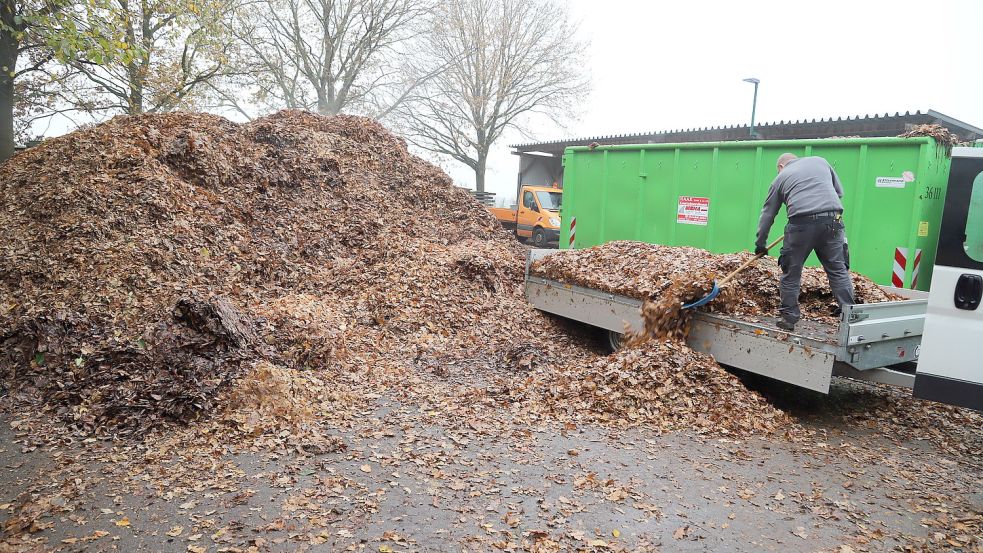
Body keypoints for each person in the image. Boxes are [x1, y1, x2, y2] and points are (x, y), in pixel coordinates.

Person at [755, 153, 854, 331]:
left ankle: (789, 319)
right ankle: (850, 318)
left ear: (780, 167)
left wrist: (760, 244)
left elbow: (768, 214)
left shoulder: (780, 179)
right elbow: (839, 192)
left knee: (791, 272)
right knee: (838, 270)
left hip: (800, 225)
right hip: (833, 221)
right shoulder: (820, 161)